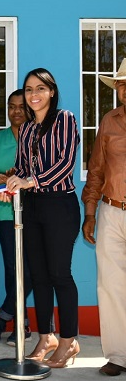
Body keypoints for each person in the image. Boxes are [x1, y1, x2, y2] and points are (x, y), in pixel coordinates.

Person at [0, 68, 80, 368]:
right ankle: (47, 337)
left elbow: (65, 164)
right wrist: (10, 186)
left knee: (60, 275)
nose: (34, 95)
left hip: (59, 205)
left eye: (40, 89)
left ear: (52, 92)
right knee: (41, 277)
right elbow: (21, 168)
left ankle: (70, 341)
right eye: (29, 89)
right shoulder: (28, 129)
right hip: (32, 208)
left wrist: (29, 182)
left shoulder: (65, 120)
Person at [82, 58, 126, 377]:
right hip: (112, 211)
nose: (124, 89)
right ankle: (119, 355)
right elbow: (96, 170)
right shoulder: (109, 121)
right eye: (120, 84)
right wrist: (90, 213)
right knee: (110, 286)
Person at [0, 89, 33, 346]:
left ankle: (3, 316)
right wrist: (4, 179)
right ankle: (20, 325)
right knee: (13, 268)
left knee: (33, 269)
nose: (16, 111)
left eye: (21, 106)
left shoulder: (39, 136)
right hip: (4, 212)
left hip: (35, 212)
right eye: (11, 106)